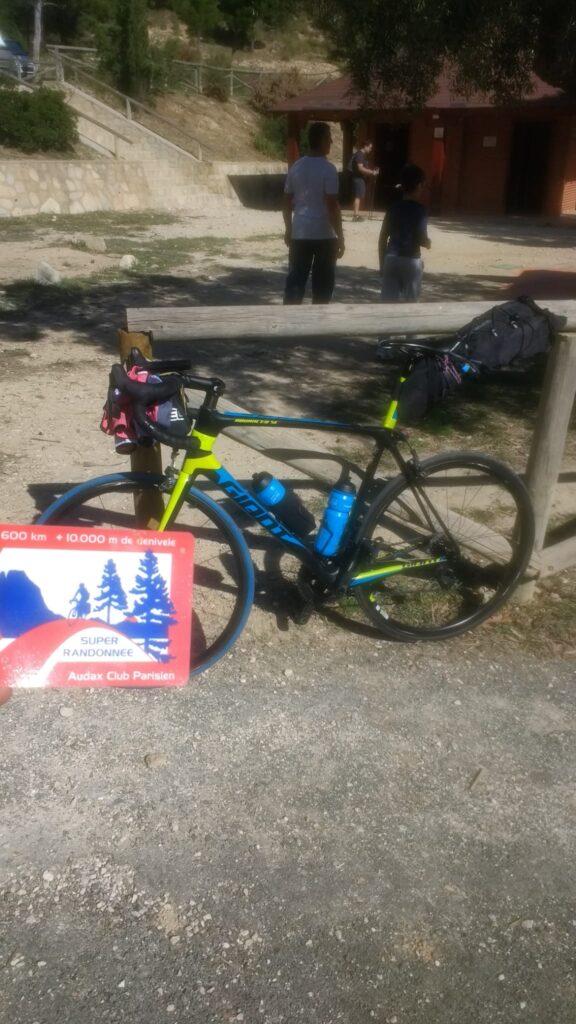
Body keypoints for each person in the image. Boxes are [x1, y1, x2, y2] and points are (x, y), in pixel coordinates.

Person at [282, 121, 345, 305]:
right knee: (323, 286)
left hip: (300, 231)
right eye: (329, 138)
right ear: (322, 139)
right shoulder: (328, 170)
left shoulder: (296, 167)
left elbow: (286, 202)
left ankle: (290, 317)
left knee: (295, 281)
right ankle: (319, 319)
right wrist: (340, 236)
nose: (331, 142)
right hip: (324, 234)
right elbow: (332, 206)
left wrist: (288, 228)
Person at [378, 164, 431, 303]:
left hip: (391, 258)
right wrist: (428, 243)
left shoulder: (392, 208)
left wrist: (382, 264)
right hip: (411, 260)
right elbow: (421, 238)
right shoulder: (421, 210)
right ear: (419, 186)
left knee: (387, 305)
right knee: (410, 306)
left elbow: (382, 238)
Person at [350, 141, 379, 221]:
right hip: (358, 178)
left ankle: (355, 214)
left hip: (359, 178)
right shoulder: (360, 155)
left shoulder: (361, 155)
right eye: (370, 147)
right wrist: (372, 172)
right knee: (358, 196)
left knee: (358, 196)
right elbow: (360, 168)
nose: (370, 149)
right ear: (365, 146)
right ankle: (355, 215)